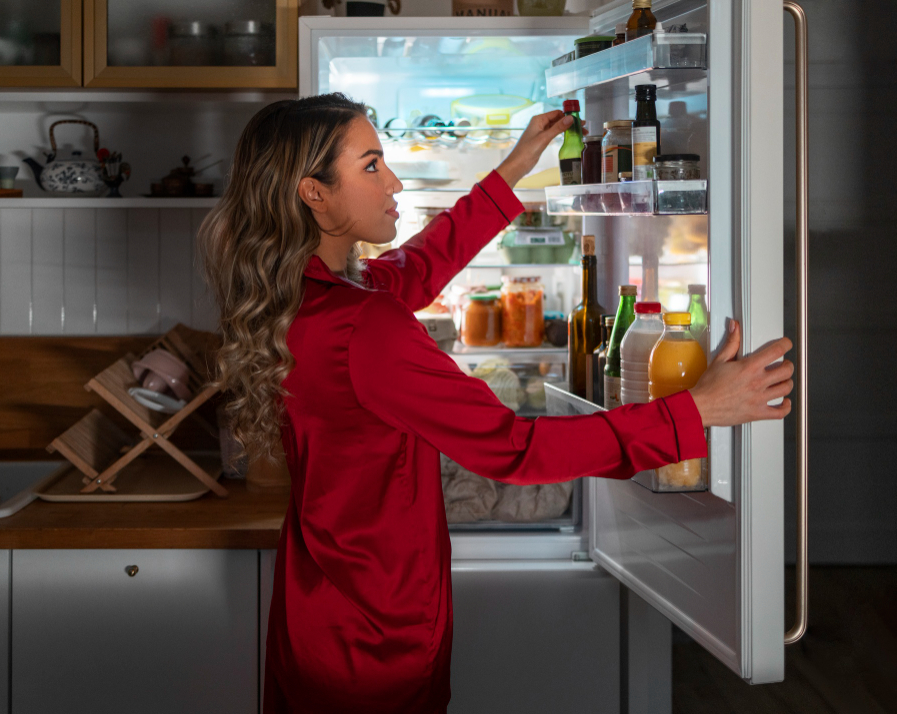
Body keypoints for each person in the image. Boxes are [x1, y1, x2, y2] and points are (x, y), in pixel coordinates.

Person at [198, 93, 793, 714]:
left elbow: (418, 266)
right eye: (371, 165)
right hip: (374, 638)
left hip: (317, 608)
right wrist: (696, 411)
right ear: (312, 192)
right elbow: (515, 450)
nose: (394, 180)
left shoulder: (311, 296)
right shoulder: (363, 326)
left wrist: (513, 170)